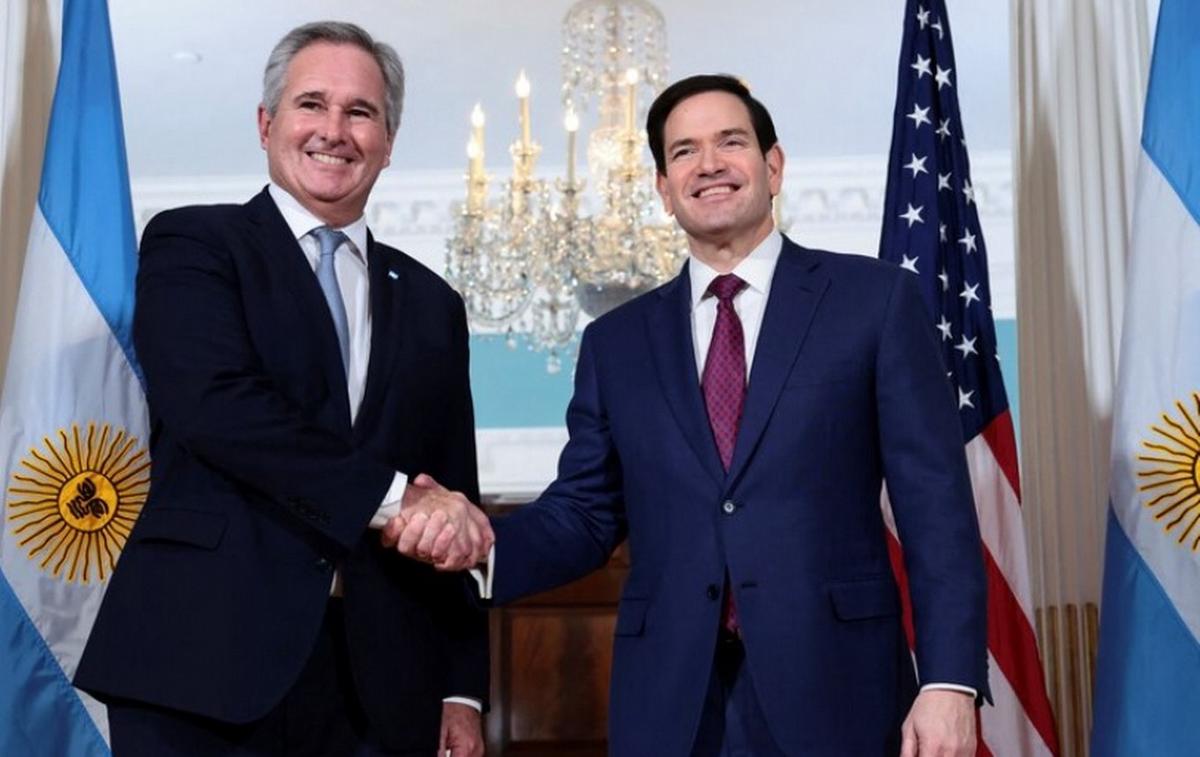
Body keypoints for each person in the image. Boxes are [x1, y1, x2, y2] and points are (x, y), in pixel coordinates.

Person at [389, 74, 989, 756]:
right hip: (671, 704)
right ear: (663, 190)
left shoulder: (873, 303)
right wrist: (484, 544)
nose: (708, 163)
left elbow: (935, 510)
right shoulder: (616, 343)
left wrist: (949, 681)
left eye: (730, 142)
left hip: (840, 689)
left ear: (773, 165)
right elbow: (585, 513)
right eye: (684, 151)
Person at [75, 21, 493, 757]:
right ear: (267, 125)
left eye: (360, 112)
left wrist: (460, 686)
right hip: (202, 662)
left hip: (381, 679)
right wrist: (397, 498)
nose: (334, 130)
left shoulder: (433, 303)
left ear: (388, 141)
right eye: (312, 105)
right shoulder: (192, 243)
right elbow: (217, 408)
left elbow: (451, 482)